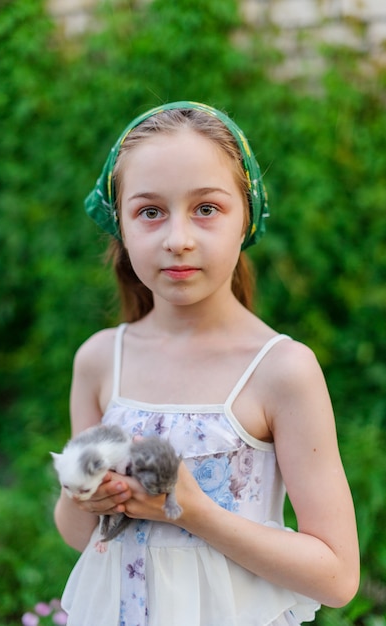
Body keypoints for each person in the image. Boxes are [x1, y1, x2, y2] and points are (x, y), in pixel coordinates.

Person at [54, 101, 359, 626]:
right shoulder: (101, 360)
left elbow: (336, 578)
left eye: (206, 209)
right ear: (121, 228)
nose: (178, 239)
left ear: (247, 217)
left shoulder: (281, 369)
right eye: (150, 211)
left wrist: (195, 512)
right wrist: (83, 495)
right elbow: (84, 539)